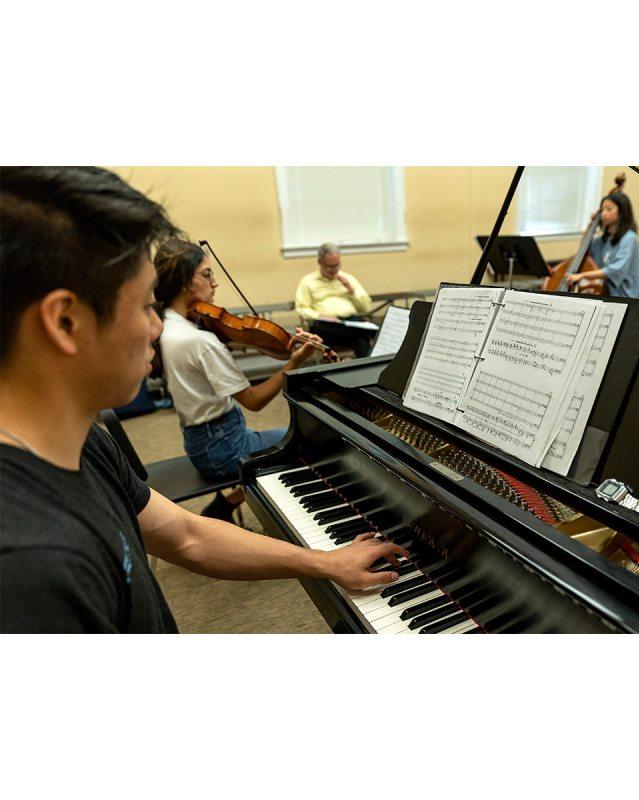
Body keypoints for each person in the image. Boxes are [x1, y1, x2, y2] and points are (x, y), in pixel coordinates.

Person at [0, 167, 407, 633]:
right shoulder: (27, 569)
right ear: (65, 322)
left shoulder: (85, 443)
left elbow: (187, 535)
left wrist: (325, 561)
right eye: (144, 307)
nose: (157, 330)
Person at [153, 238, 318, 521]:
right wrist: (294, 363)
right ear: (183, 283)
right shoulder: (198, 341)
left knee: (288, 438)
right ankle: (275, 515)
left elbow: (228, 339)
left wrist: (255, 341)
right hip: (224, 449)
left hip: (201, 442)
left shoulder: (166, 325)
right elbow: (253, 401)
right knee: (309, 444)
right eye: (206, 275)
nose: (215, 282)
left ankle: (227, 504)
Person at [295, 243, 375, 357]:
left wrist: (351, 290)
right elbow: (302, 309)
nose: (333, 269)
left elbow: (366, 308)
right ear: (320, 262)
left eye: (336, 265)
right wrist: (320, 316)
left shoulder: (348, 279)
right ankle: (370, 331)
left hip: (350, 322)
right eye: (329, 266)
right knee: (362, 334)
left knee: (360, 340)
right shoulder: (308, 281)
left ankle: (369, 369)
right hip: (326, 326)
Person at [566, 192, 639, 298]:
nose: (603, 213)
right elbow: (584, 248)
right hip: (610, 297)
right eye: (602, 210)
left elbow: (614, 270)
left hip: (628, 298)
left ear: (621, 212)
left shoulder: (630, 238)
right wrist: (591, 224)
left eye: (609, 209)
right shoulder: (603, 241)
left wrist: (582, 276)